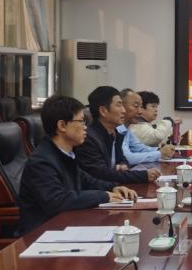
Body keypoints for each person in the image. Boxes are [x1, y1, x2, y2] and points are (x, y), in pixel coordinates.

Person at [17, 95, 137, 234]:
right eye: (81, 121)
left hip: (65, 225)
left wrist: (113, 187)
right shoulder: (42, 162)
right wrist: (104, 195)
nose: (86, 127)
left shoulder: (65, 153)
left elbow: (87, 180)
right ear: (62, 126)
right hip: (42, 233)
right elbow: (57, 201)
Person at [75, 86, 159, 185]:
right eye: (119, 105)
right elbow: (102, 173)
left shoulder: (115, 133)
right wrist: (143, 175)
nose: (123, 110)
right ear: (103, 111)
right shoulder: (88, 138)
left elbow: (124, 160)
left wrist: (123, 165)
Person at [119, 87, 175, 165]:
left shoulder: (126, 129)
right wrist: (160, 153)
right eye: (136, 106)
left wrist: (160, 150)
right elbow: (127, 158)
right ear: (122, 107)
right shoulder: (117, 129)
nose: (140, 112)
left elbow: (140, 148)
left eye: (140, 107)